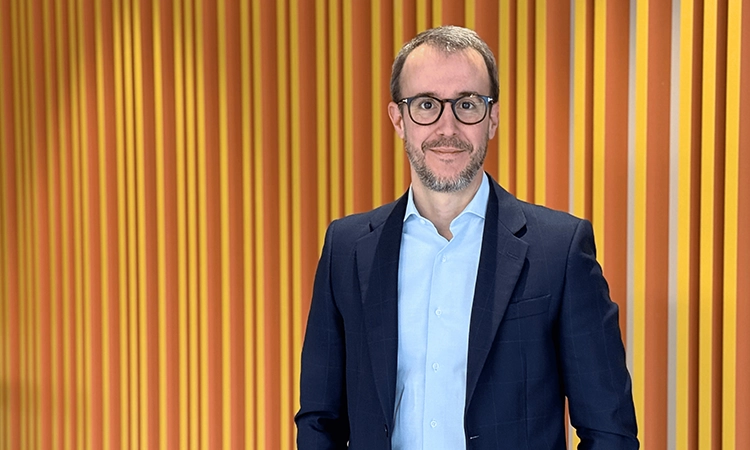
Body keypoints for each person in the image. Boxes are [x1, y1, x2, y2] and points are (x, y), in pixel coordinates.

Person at [295, 25, 638, 449]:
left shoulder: (559, 250)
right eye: (426, 105)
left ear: (492, 119)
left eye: (467, 104)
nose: (448, 127)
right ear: (398, 119)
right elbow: (320, 419)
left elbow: (610, 431)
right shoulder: (346, 248)